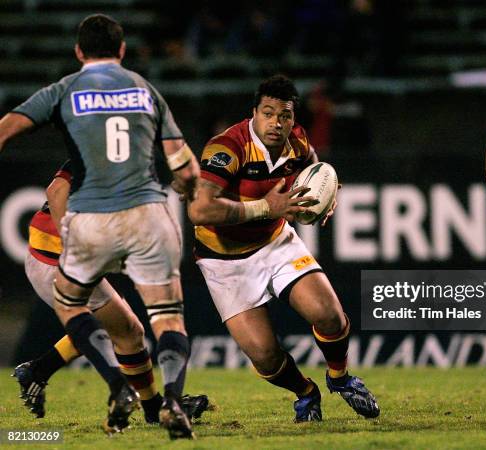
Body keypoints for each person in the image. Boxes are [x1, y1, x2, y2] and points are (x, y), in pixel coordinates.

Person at [0, 14, 199, 438]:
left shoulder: (66, 92)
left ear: (78, 52)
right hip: (145, 215)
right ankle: (170, 402)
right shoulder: (145, 91)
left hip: (91, 226)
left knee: (115, 322)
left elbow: (5, 130)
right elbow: (184, 165)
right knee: (166, 318)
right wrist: (187, 185)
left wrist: (72, 233)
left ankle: (128, 395)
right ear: (122, 51)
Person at [187, 74, 379, 422]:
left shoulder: (298, 140)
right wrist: (265, 207)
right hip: (223, 260)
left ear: (293, 117)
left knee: (329, 315)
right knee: (265, 356)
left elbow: (316, 167)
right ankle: (306, 393)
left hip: (274, 243)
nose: (277, 123)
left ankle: (340, 378)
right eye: (268, 113)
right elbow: (199, 210)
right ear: (254, 113)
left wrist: (326, 194)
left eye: (285, 115)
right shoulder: (227, 147)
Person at [14, 160, 207, 424]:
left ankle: (38, 371)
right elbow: (56, 191)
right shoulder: (100, 150)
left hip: (57, 257)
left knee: (124, 330)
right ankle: (151, 407)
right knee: (126, 331)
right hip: (55, 260)